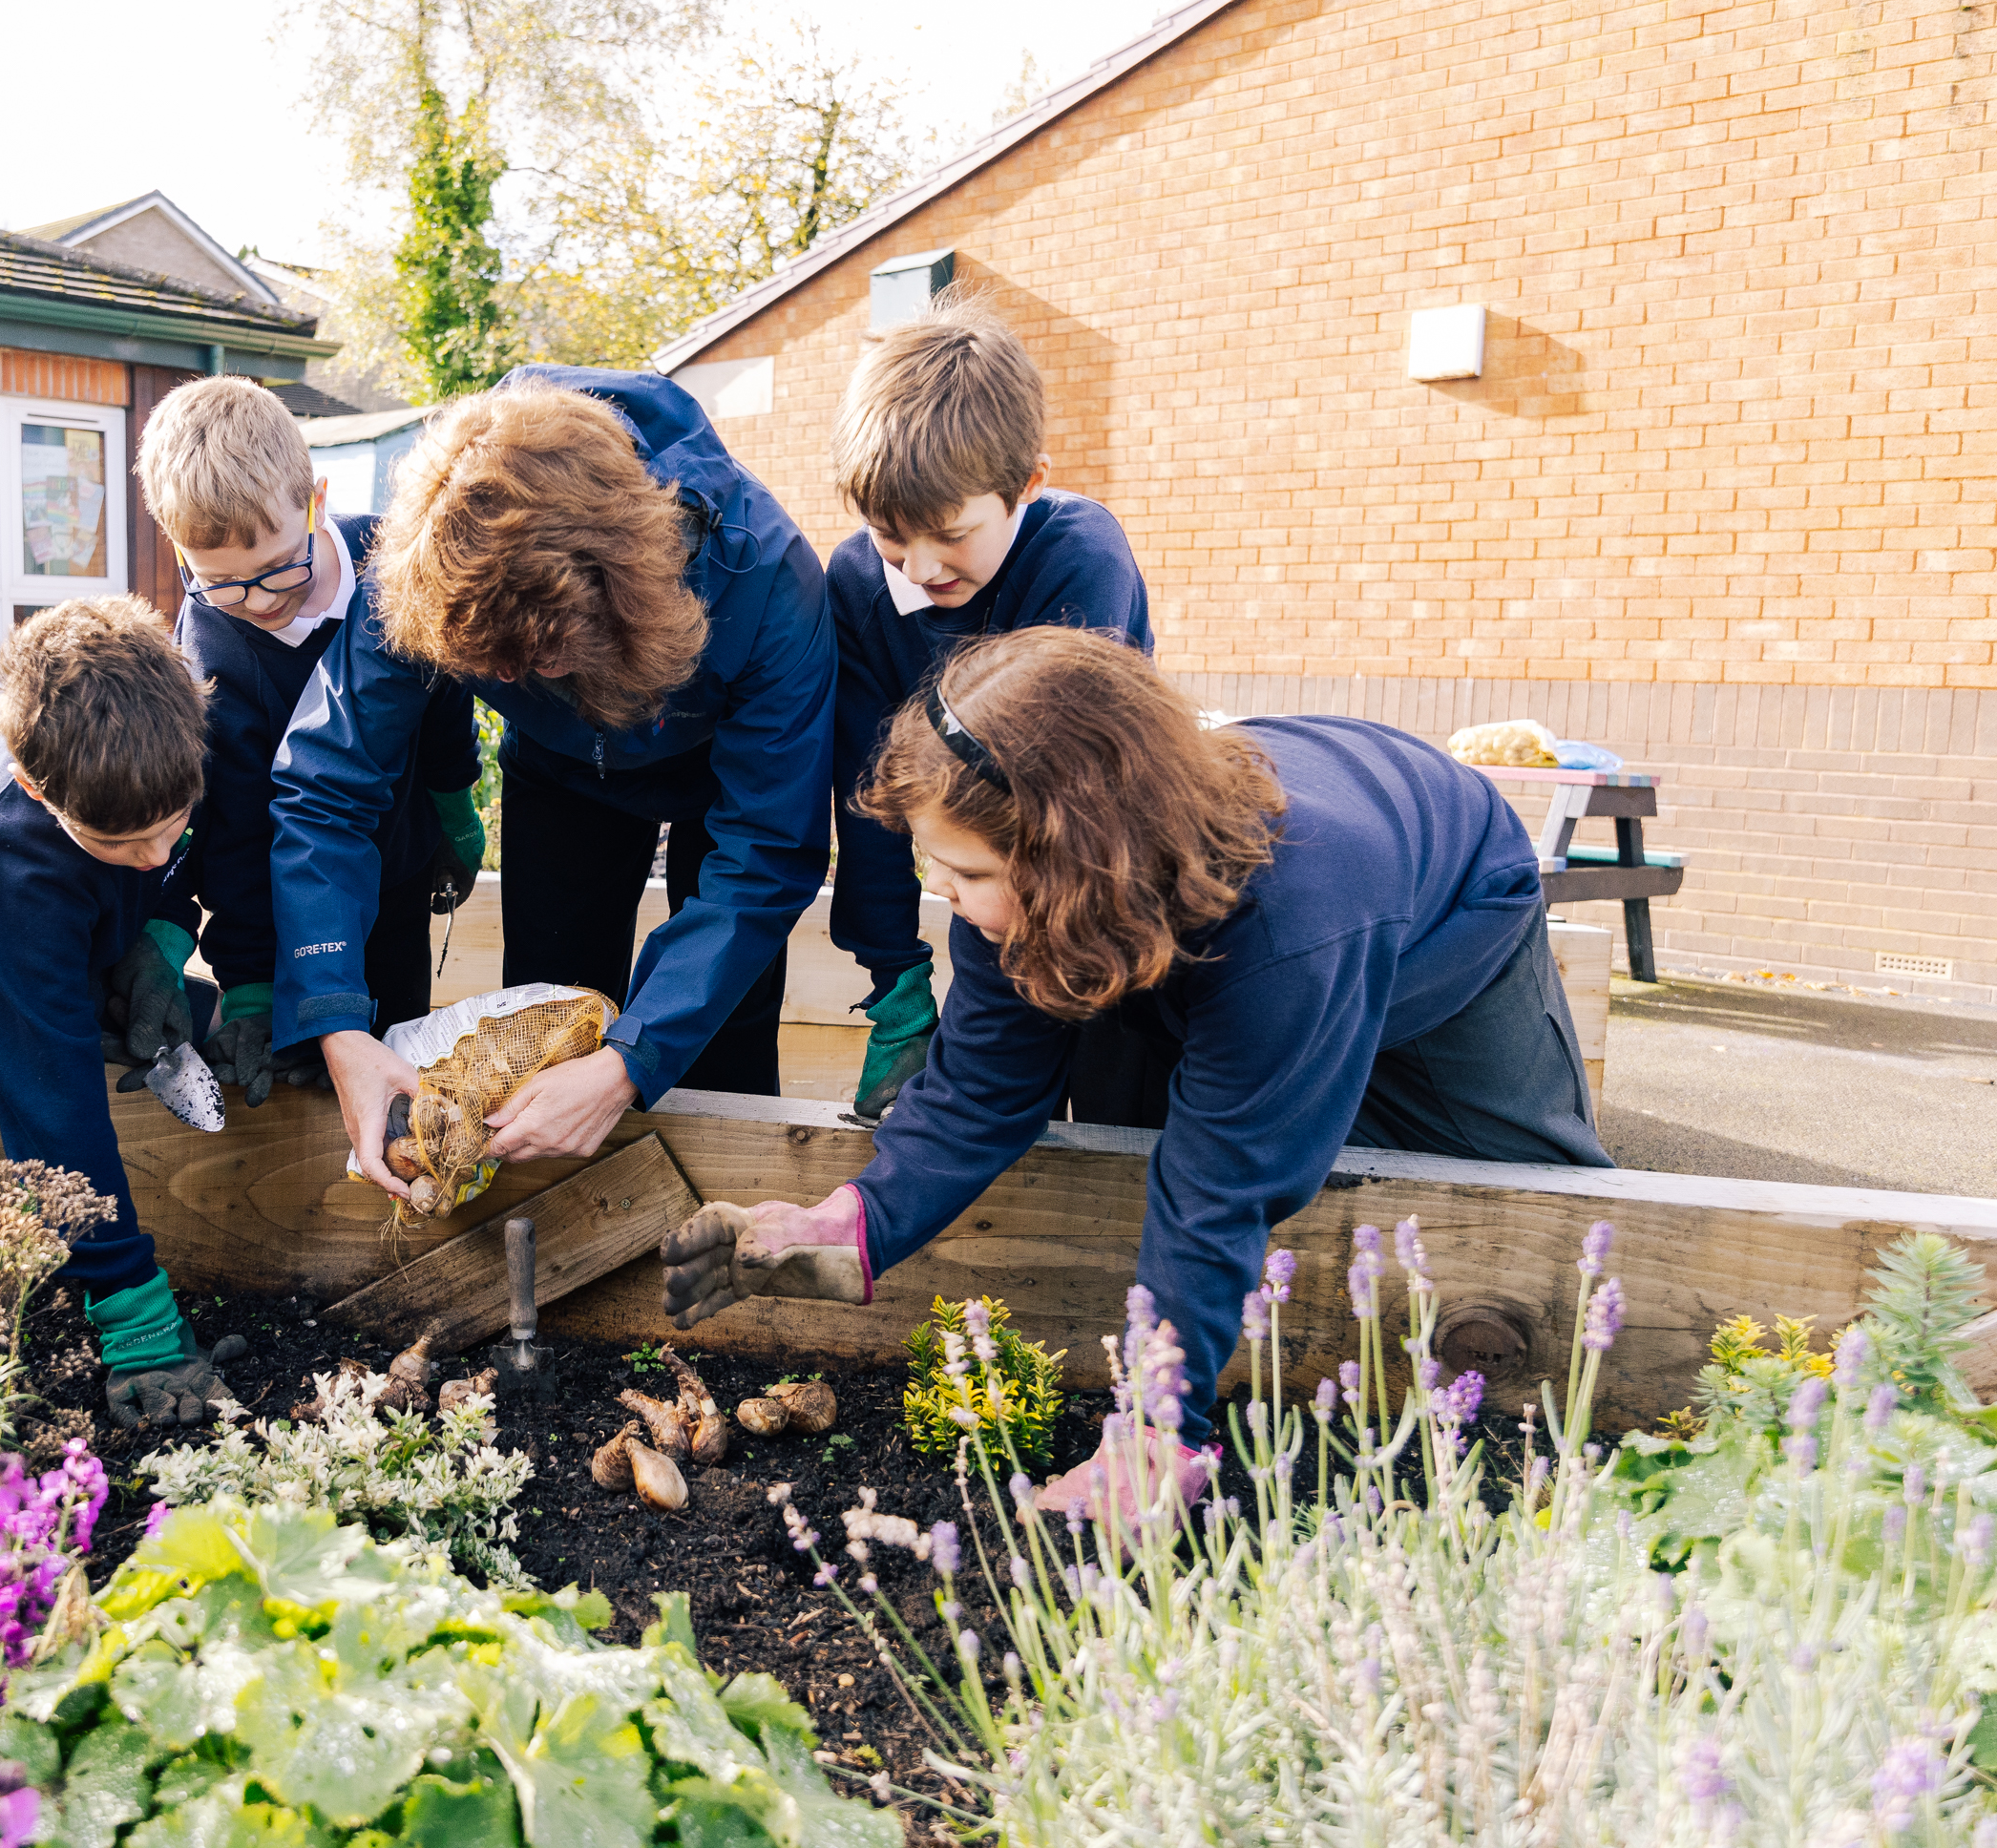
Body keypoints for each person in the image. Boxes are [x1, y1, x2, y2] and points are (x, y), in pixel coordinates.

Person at [662, 627, 1611, 1460]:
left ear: (1067, 858)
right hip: (1165, 896)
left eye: (961, 872)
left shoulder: (1295, 926)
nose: (941, 892)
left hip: (1445, 909)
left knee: (1512, 1179)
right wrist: (858, 1217)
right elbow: (983, 1085)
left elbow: (1219, 1188)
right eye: (933, 864)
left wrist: (1158, 1436)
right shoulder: (1005, 866)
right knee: (1136, 1134)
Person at [267, 367, 833, 1197]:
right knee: (546, 1011)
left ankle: (726, 1236)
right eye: (487, 669)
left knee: (717, 1032)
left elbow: (767, 852)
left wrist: (632, 1063)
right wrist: (337, 1024)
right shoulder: (432, 559)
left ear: (615, 586)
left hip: (716, 767)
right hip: (563, 771)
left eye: (536, 658)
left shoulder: (767, 578)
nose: (507, 677)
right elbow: (326, 781)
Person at [0, 597, 240, 1425]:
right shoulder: (9, 854)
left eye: (169, 826)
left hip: (94, 943)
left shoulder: (165, 748)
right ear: (38, 787)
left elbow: (183, 858)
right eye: (119, 844)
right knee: (76, 1066)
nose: (153, 852)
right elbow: (48, 1095)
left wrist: (165, 931)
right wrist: (129, 1309)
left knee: (221, 1022)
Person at [824, 299, 1155, 1123]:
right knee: (984, 1116)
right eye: (892, 534)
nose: (923, 565)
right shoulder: (860, 583)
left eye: (950, 533)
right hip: (982, 876)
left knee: (1113, 1107)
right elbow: (869, 792)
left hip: (1098, 876)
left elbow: (1050, 798)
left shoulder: (1080, 558)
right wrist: (893, 973)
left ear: (1027, 486)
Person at [137, 376, 483, 1107]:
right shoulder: (210, 642)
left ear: (315, 498)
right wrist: (256, 984)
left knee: (398, 1049)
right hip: (277, 886)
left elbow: (447, 696)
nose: (260, 603)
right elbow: (230, 825)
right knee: (309, 1078)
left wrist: (455, 809)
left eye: (278, 568)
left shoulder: (395, 558)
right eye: (225, 584)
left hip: (397, 870)